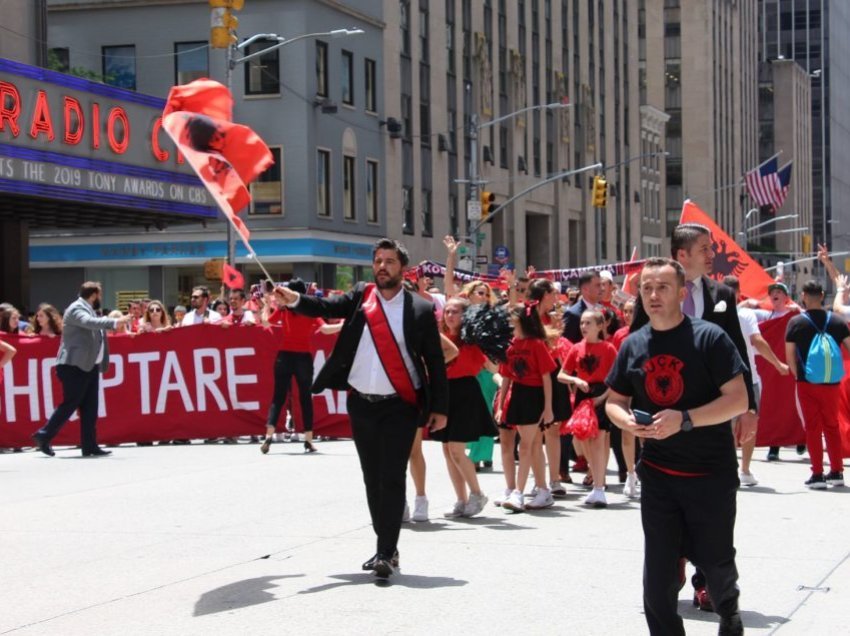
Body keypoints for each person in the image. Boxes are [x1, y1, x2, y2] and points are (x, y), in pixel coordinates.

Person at [273, 238, 448, 579]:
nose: (382, 266)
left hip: (400, 404)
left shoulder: (420, 310)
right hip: (361, 403)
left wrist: (440, 407)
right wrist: (294, 299)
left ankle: (384, 552)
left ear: (403, 268)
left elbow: (436, 362)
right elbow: (325, 307)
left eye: (390, 261)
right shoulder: (359, 297)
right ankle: (387, 545)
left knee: (392, 477)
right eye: (378, 260)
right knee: (372, 478)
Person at [605, 257, 748, 636]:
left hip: (710, 475)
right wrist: (629, 423)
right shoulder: (633, 344)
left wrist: (684, 419)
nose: (653, 295)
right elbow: (613, 401)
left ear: (682, 293)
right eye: (647, 288)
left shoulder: (709, 338)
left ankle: (730, 621)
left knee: (717, 568)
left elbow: (738, 400)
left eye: (663, 287)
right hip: (659, 478)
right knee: (658, 581)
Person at [630, 223, 754, 610]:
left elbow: (737, 351)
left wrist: (749, 406)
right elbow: (637, 351)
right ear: (682, 254)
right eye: (704, 248)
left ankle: (707, 582)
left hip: (709, 417)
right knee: (666, 503)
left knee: (712, 507)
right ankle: (673, 565)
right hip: (661, 418)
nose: (711, 254)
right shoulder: (652, 295)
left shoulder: (721, 295)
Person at [31, 282, 131, 458]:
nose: (100, 298)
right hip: (73, 366)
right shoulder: (76, 308)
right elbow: (89, 323)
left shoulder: (88, 308)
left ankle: (90, 445)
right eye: (99, 295)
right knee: (71, 403)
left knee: (90, 407)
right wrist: (116, 321)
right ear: (93, 295)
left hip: (89, 365)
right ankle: (44, 435)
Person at [723, 276, 791, 486]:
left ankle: (729, 468)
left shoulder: (713, 314)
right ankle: (744, 469)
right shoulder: (746, 315)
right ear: (738, 292)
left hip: (721, 380)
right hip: (747, 377)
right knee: (749, 423)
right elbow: (757, 341)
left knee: (725, 425)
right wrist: (778, 364)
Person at [785, 279, 850, 489]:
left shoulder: (796, 322)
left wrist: (798, 377)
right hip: (832, 382)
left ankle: (817, 474)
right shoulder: (838, 322)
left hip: (807, 381)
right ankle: (837, 471)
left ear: (803, 296)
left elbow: (790, 357)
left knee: (813, 427)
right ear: (822, 296)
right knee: (832, 426)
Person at [433, 297, 495, 517]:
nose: (450, 315)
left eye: (455, 311)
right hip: (443, 393)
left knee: (457, 450)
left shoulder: (473, 339)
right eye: (447, 311)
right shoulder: (439, 337)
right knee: (447, 451)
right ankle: (461, 500)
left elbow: (493, 366)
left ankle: (477, 493)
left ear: (465, 315)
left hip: (465, 392)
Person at [495, 302, 557, 513]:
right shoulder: (510, 345)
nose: (509, 325)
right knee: (531, 446)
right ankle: (542, 490)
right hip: (518, 394)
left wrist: (548, 407)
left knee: (525, 446)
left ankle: (518, 493)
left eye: (512, 321)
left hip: (533, 395)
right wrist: (501, 405)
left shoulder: (536, 344)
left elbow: (546, 377)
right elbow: (505, 377)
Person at [559, 310, 619, 507]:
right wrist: (575, 379)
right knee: (585, 440)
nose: (583, 327)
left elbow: (616, 378)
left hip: (602, 392)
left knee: (599, 439)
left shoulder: (608, 348)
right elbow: (562, 374)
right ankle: (596, 481)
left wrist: (602, 398)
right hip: (583, 394)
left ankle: (599, 488)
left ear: (600, 326)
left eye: (588, 323)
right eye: (582, 323)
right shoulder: (576, 348)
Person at [261, 278, 324, 455]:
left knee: (278, 397)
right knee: (305, 399)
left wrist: (266, 306)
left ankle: (268, 436)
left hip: (284, 356)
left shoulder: (283, 310)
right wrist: (345, 325)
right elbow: (326, 329)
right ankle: (309, 441)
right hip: (303, 357)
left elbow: (265, 323)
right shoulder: (311, 311)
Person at [563, 270, 603, 344]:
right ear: (585, 289)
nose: (602, 288)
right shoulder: (573, 314)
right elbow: (567, 345)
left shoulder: (602, 310)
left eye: (601, 285)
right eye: (597, 285)